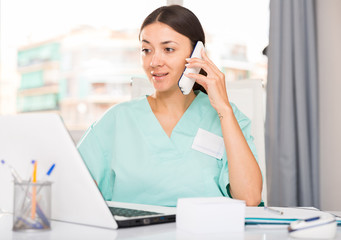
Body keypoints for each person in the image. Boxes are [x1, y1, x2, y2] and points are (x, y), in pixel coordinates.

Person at [77, 5, 262, 207]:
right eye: (146, 50)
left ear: (197, 55)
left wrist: (224, 109)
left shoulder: (228, 117)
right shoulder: (117, 120)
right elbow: (73, 186)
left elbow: (250, 198)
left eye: (168, 49)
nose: (154, 61)